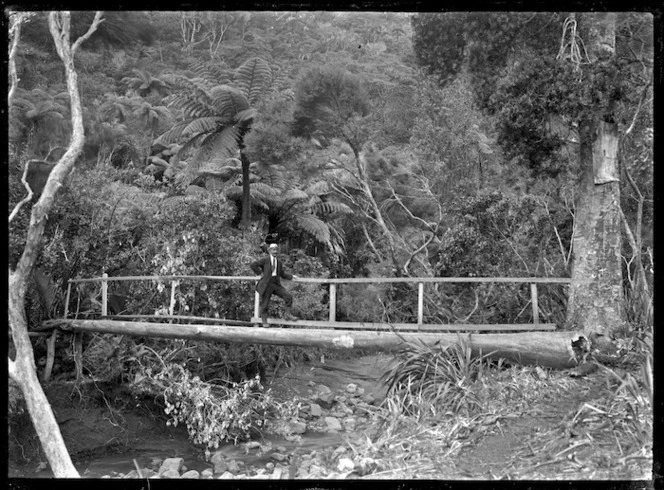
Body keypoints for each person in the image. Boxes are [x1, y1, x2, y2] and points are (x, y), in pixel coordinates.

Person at [250, 243, 299, 327]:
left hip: (276, 284)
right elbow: (253, 265)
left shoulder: (279, 262)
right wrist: (260, 273)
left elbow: (282, 274)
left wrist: (291, 277)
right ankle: (264, 322)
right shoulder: (265, 260)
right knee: (265, 304)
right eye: (273, 250)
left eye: (276, 250)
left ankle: (287, 314)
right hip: (267, 284)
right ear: (269, 251)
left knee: (288, 296)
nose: (275, 252)